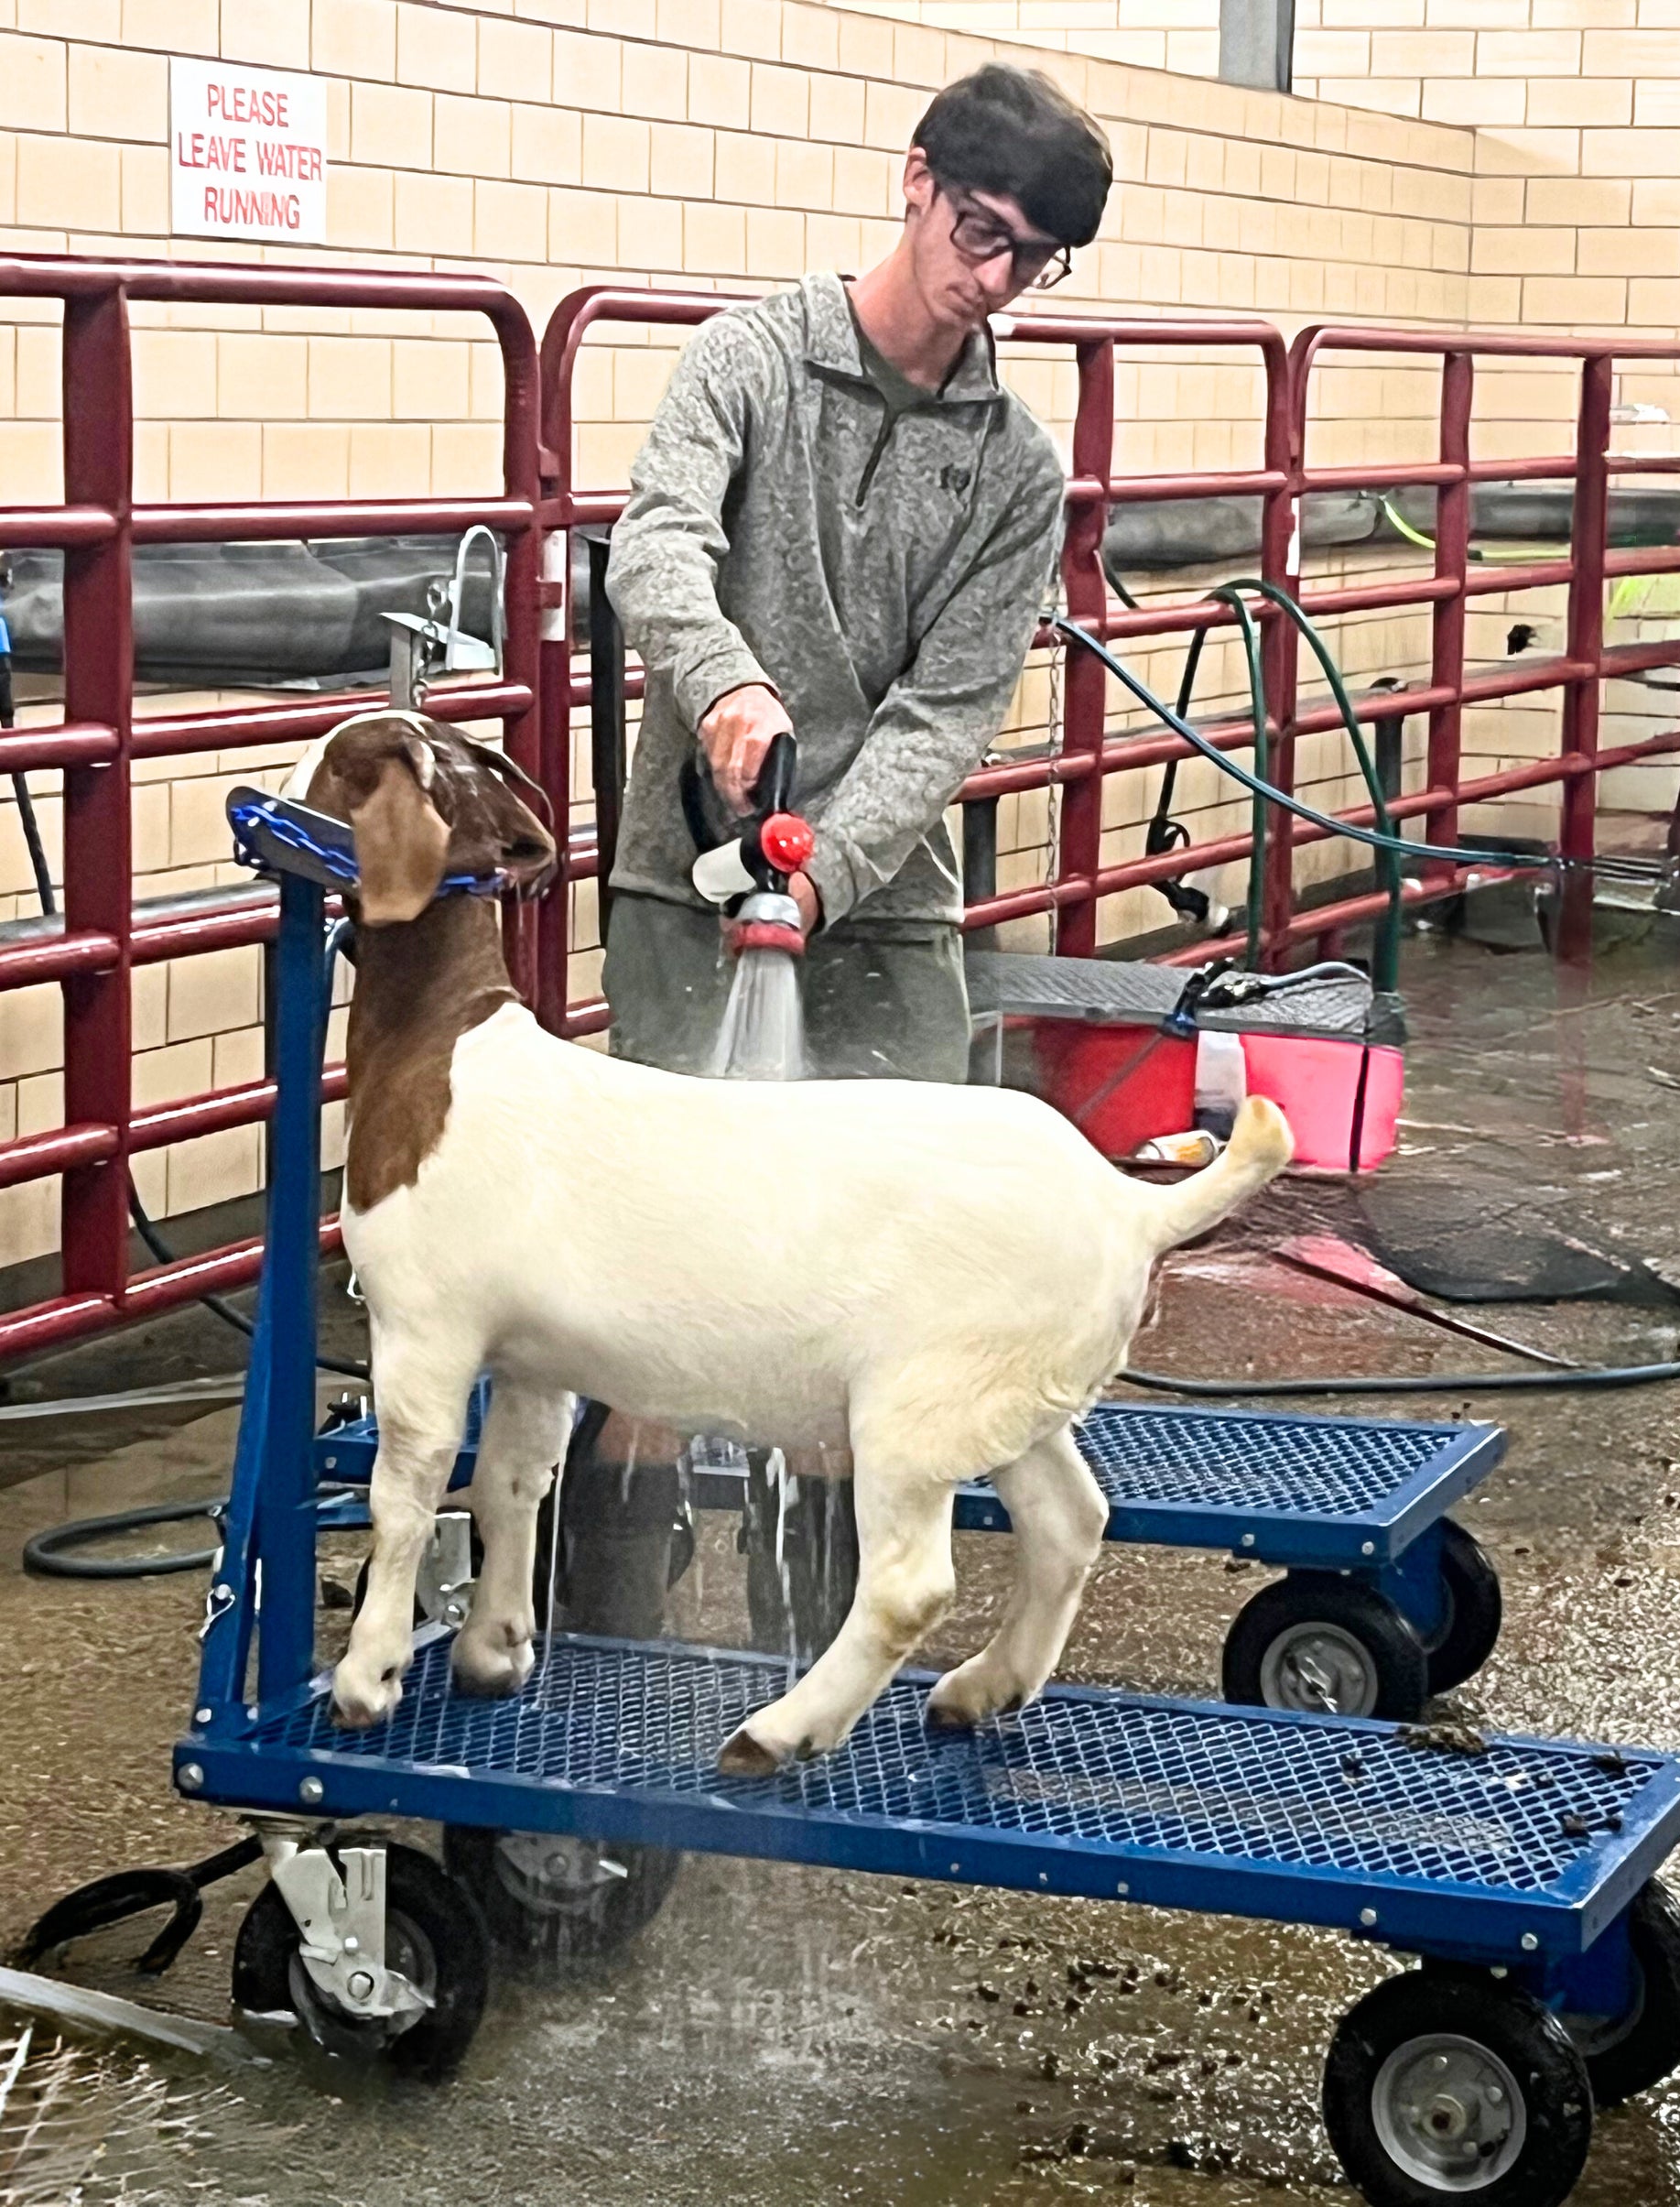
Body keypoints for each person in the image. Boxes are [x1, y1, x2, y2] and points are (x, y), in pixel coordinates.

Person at [540, 64, 1115, 1647]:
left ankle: (821, 1674)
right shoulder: (744, 364)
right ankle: (593, 1653)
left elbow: (944, 717)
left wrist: (827, 866)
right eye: (980, 232)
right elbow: (654, 541)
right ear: (914, 178)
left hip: (879, 916)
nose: (990, 282)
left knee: (871, 1320)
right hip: (685, 887)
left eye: (1031, 262)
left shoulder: (1011, 466)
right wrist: (721, 683)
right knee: (648, 1294)